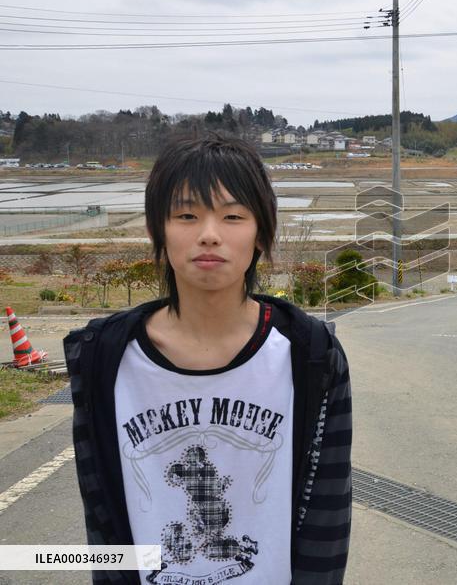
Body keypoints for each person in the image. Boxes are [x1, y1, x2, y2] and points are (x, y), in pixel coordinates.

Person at [65, 133, 352, 585]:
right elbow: (101, 517)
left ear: (262, 233)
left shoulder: (310, 354)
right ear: (157, 230)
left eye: (233, 216)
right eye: (186, 215)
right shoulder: (103, 356)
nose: (209, 235)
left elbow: (328, 515)